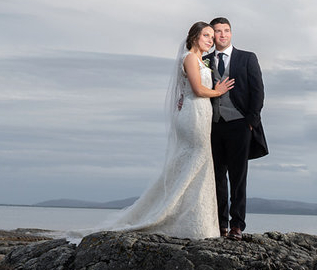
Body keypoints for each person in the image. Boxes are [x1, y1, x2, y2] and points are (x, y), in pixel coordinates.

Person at [99, 22, 235, 239]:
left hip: (201, 113)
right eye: (206, 35)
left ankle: (192, 217)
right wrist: (218, 92)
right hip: (193, 114)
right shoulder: (190, 58)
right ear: (194, 37)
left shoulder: (201, 59)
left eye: (212, 36)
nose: (211, 40)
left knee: (198, 161)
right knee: (198, 157)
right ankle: (176, 215)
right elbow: (198, 89)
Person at [206, 17, 266, 239]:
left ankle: (237, 225)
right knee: (217, 176)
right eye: (218, 31)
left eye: (226, 30)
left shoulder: (247, 58)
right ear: (212, 35)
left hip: (240, 124)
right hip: (213, 125)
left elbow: (258, 91)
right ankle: (220, 224)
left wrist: (251, 121)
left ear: (231, 33)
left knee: (238, 176)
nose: (223, 35)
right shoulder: (204, 60)